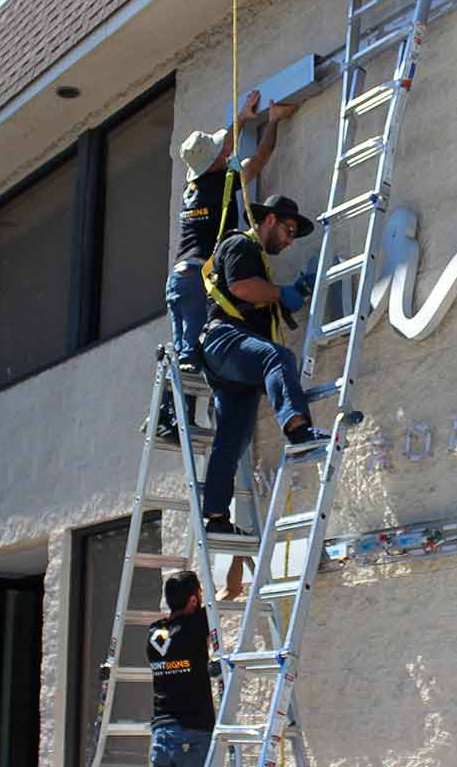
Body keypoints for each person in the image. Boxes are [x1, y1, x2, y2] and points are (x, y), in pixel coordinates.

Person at [158, 91, 299, 445]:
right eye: (223, 151)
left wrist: (240, 118)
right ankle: (169, 417)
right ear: (217, 162)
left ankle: (168, 417)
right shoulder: (221, 183)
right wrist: (273, 121)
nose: (228, 151)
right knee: (193, 358)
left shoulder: (194, 187)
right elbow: (260, 159)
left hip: (178, 280)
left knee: (184, 354)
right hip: (195, 285)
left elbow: (217, 152)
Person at [199, 194, 323, 539]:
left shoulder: (256, 259)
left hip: (231, 358)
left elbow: (258, 298)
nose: (289, 240)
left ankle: (216, 515)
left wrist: (291, 293)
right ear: (269, 220)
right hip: (224, 340)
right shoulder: (241, 243)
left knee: (233, 436)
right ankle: (298, 428)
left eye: (294, 235)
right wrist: (281, 293)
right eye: (288, 230)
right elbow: (241, 286)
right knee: (277, 356)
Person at [146, 571, 215, 767]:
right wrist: (238, 553)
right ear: (193, 600)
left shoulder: (154, 633)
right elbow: (232, 590)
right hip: (194, 732)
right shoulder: (196, 624)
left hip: (163, 733)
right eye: (201, 593)